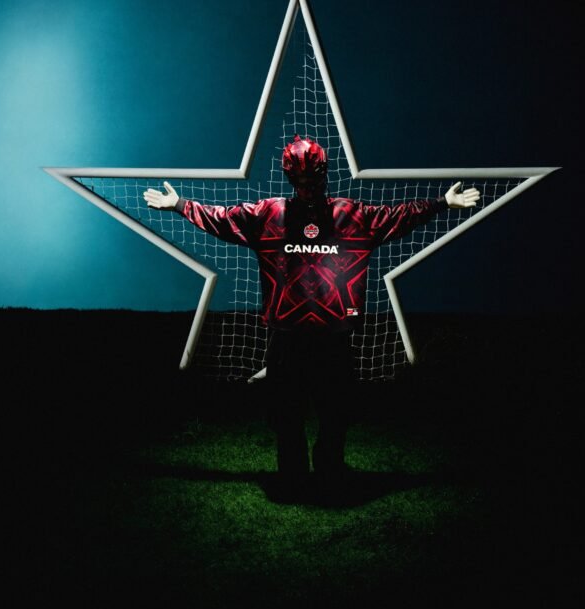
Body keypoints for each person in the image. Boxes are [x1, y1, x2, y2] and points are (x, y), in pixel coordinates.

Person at [144, 136, 479, 499]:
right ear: (290, 177)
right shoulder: (269, 214)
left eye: (313, 177)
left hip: (334, 336)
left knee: (336, 413)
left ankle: (329, 469)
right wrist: (181, 205)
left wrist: (441, 203)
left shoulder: (351, 215)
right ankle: (293, 476)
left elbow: (398, 216)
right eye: (300, 178)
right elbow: (222, 219)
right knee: (285, 413)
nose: (307, 185)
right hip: (286, 335)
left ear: (324, 173)